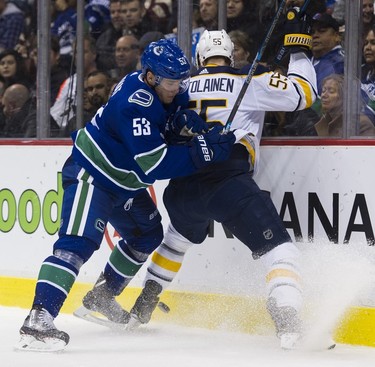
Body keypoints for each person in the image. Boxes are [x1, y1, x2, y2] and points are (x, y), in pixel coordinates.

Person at [81, 23, 318, 350]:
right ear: (231, 55)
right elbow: (304, 94)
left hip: (181, 188)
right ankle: (288, 319)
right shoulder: (245, 78)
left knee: (177, 239)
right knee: (280, 249)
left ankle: (144, 304)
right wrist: (299, 48)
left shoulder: (180, 86)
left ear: (197, 58)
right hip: (226, 180)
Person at [16, 38, 237, 352]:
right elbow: (155, 162)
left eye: (180, 80)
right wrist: (203, 152)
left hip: (125, 183)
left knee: (146, 235)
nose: (178, 88)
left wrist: (183, 123)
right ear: (150, 77)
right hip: (93, 176)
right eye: (172, 82)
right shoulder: (133, 103)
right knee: (75, 245)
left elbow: (167, 119)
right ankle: (38, 319)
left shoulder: (164, 87)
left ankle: (102, 297)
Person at [95, 0, 124, 72]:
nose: (116, 16)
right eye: (113, 12)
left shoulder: (137, 33)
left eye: (119, 11)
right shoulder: (104, 38)